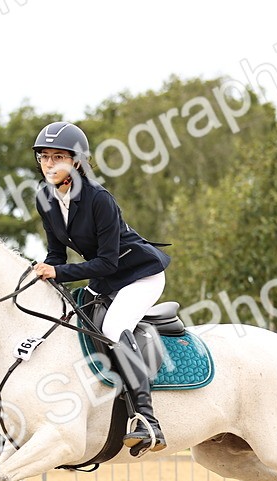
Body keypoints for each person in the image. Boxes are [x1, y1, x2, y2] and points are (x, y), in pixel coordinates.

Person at [30, 121, 172, 453]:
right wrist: (45, 276)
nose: (49, 164)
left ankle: (148, 419)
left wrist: (58, 272)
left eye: (58, 157)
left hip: (139, 273)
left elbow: (108, 262)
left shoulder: (98, 199)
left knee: (114, 326)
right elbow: (56, 252)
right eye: (44, 158)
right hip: (105, 277)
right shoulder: (45, 197)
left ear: (76, 162)